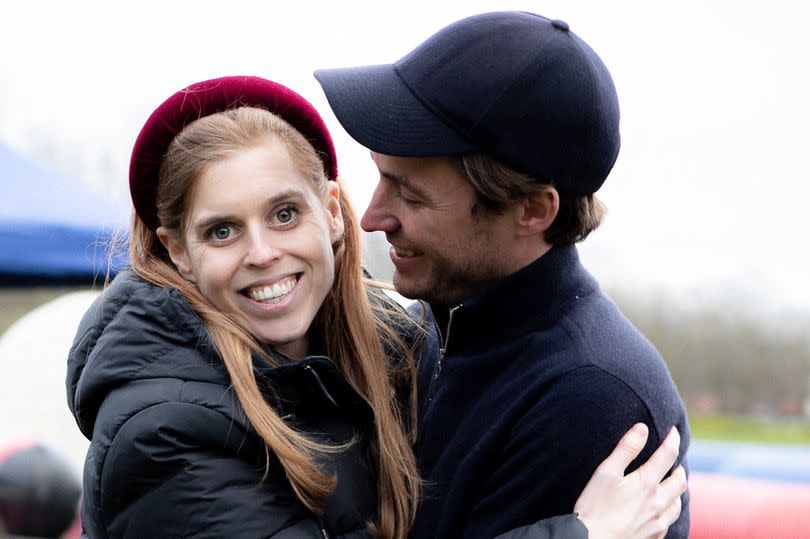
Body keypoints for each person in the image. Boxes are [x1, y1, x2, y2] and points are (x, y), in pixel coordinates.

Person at [66, 76, 684, 539]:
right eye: (222, 231)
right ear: (177, 251)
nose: (262, 253)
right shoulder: (163, 432)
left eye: (285, 214)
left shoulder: (385, 346)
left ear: (331, 211)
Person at [315, 10, 691, 539]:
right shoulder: (443, 324)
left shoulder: (587, 401)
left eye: (411, 193)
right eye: (380, 178)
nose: (372, 219)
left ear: (533, 210)